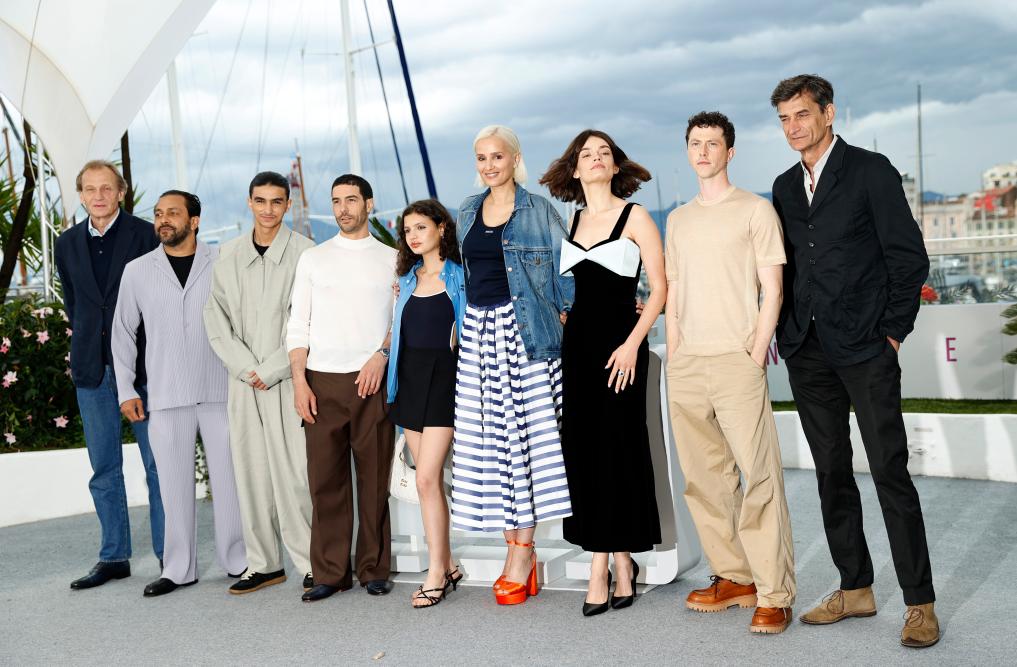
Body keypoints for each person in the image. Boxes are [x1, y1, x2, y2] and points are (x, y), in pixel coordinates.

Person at [769, 74, 937, 648]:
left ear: (829, 113)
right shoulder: (784, 186)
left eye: (802, 114)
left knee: (890, 471)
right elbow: (786, 265)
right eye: (785, 119)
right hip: (808, 350)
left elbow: (908, 257)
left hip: (867, 346)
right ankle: (855, 587)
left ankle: (919, 603)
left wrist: (893, 333)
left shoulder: (870, 170)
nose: (794, 127)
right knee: (831, 473)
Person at [664, 112, 796, 634]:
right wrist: (676, 352)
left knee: (759, 477)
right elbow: (673, 292)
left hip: (737, 361)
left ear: (729, 152)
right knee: (705, 480)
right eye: (695, 143)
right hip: (688, 363)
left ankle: (775, 593)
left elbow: (773, 289)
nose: (703, 152)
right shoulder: (677, 220)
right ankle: (735, 577)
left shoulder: (755, 210)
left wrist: (756, 350)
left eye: (712, 144)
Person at [539, 130, 663, 617]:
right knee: (585, 453)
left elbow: (660, 289)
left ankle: (607, 566)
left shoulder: (636, 217)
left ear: (615, 166)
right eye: (586, 154)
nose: (595, 159)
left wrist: (633, 344)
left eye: (603, 153)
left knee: (620, 449)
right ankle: (614, 561)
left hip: (622, 349)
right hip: (578, 351)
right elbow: (567, 289)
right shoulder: (570, 221)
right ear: (574, 169)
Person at [450, 125, 574, 606]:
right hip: (479, 337)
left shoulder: (539, 210)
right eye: (481, 157)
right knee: (494, 448)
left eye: (497, 156)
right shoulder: (466, 210)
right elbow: (459, 275)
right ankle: (519, 551)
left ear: (515, 159)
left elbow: (566, 274)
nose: (489, 165)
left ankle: (521, 555)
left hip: (524, 334)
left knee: (528, 446)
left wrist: (572, 319)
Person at [112, 190, 247, 597]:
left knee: (230, 483)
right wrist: (125, 389)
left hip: (221, 390)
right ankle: (178, 568)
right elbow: (122, 333)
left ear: (195, 221)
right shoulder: (137, 271)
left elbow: (244, 321)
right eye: (158, 214)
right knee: (172, 486)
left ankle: (238, 560)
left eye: (173, 212)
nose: (163, 220)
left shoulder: (223, 261)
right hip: (166, 393)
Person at [203, 171, 316, 595]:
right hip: (243, 382)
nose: (268, 209)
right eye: (260, 201)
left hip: (288, 379)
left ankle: (312, 562)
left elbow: (309, 319)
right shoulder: (227, 254)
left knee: (294, 475)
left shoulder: (306, 253)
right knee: (250, 473)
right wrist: (245, 367)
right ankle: (264, 564)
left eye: (276, 201)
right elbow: (215, 318)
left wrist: (270, 369)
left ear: (288, 205)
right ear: (249, 202)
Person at [54, 160, 164, 590]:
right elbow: (75, 303)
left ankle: (171, 555)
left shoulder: (146, 235)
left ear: (121, 192)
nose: (98, 196)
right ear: (81, 195)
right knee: (103, 467)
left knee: (158, 465)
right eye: (90, 189)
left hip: (143, 367)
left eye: (106, 188)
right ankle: (114, 556)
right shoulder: (66, 243)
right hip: (92, 368)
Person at [287, 174, 397, 603]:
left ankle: (373, 568)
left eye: (351, 200)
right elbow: (298, 324)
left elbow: (401, 318)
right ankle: (330, 573)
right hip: (321, 381)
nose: (343, 208)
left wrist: (381, 355)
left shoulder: (392, 258)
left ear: (369, 204)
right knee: (325, 482)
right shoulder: (313, 259)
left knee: (374, 481)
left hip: (373, 381)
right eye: (336, 201)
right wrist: (300, 382)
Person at [386, 199, 466, 608]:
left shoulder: (459, 276)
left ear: (441, 228)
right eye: (407, 230)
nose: (413, 236)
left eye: (421, 227)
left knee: (425, 479)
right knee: (428, 482)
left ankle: (435, 574)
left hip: (445, 380)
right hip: (410, 380)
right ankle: (447, 564)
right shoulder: (405, 280)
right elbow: (398, 332)